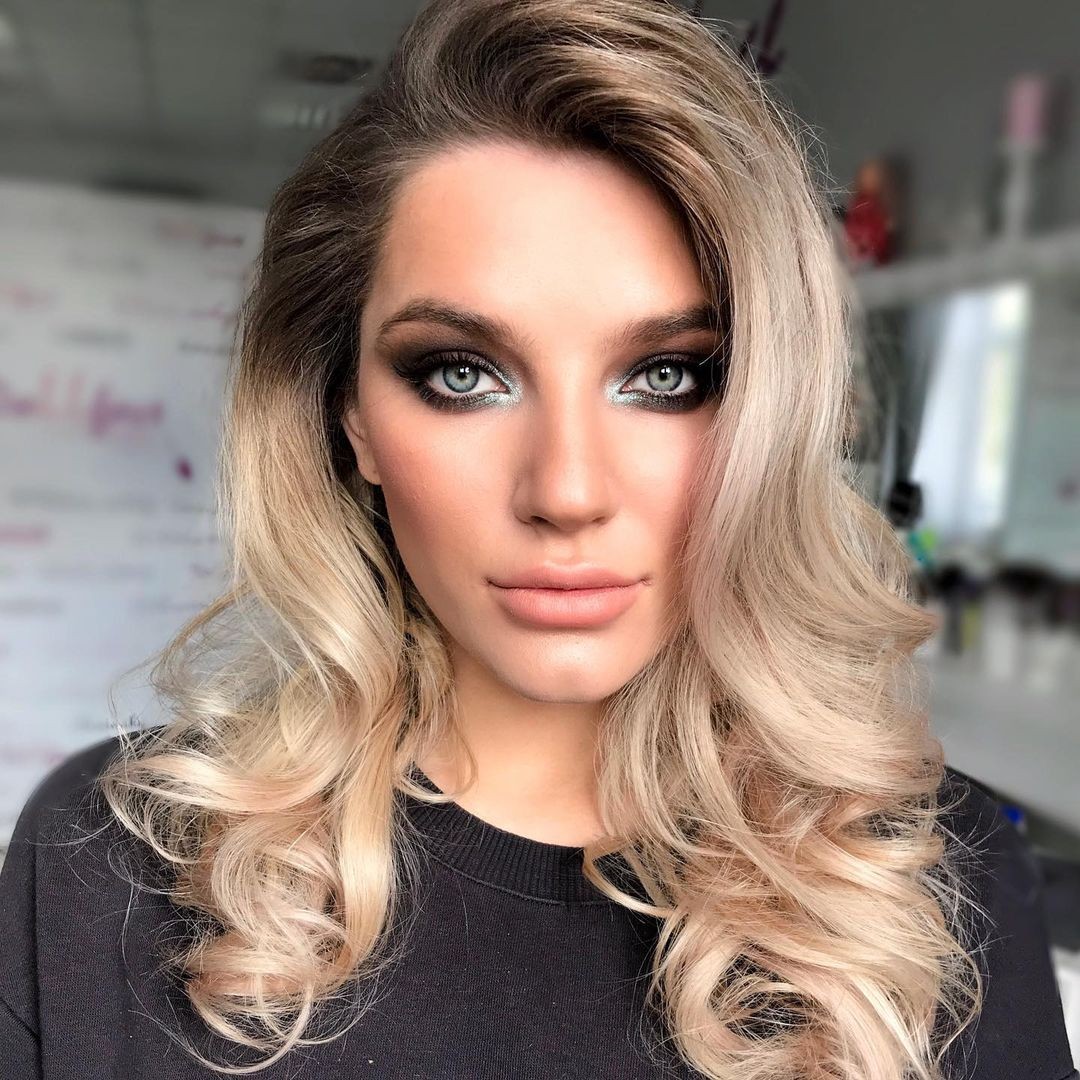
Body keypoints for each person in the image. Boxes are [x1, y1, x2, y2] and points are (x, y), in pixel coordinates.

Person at [1, 1, 1076, 1078]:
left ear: (770, 413)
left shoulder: (933, 885)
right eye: (463, 374)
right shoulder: (107, 871)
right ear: (351, 416)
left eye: (667, 377)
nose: (567, 491)